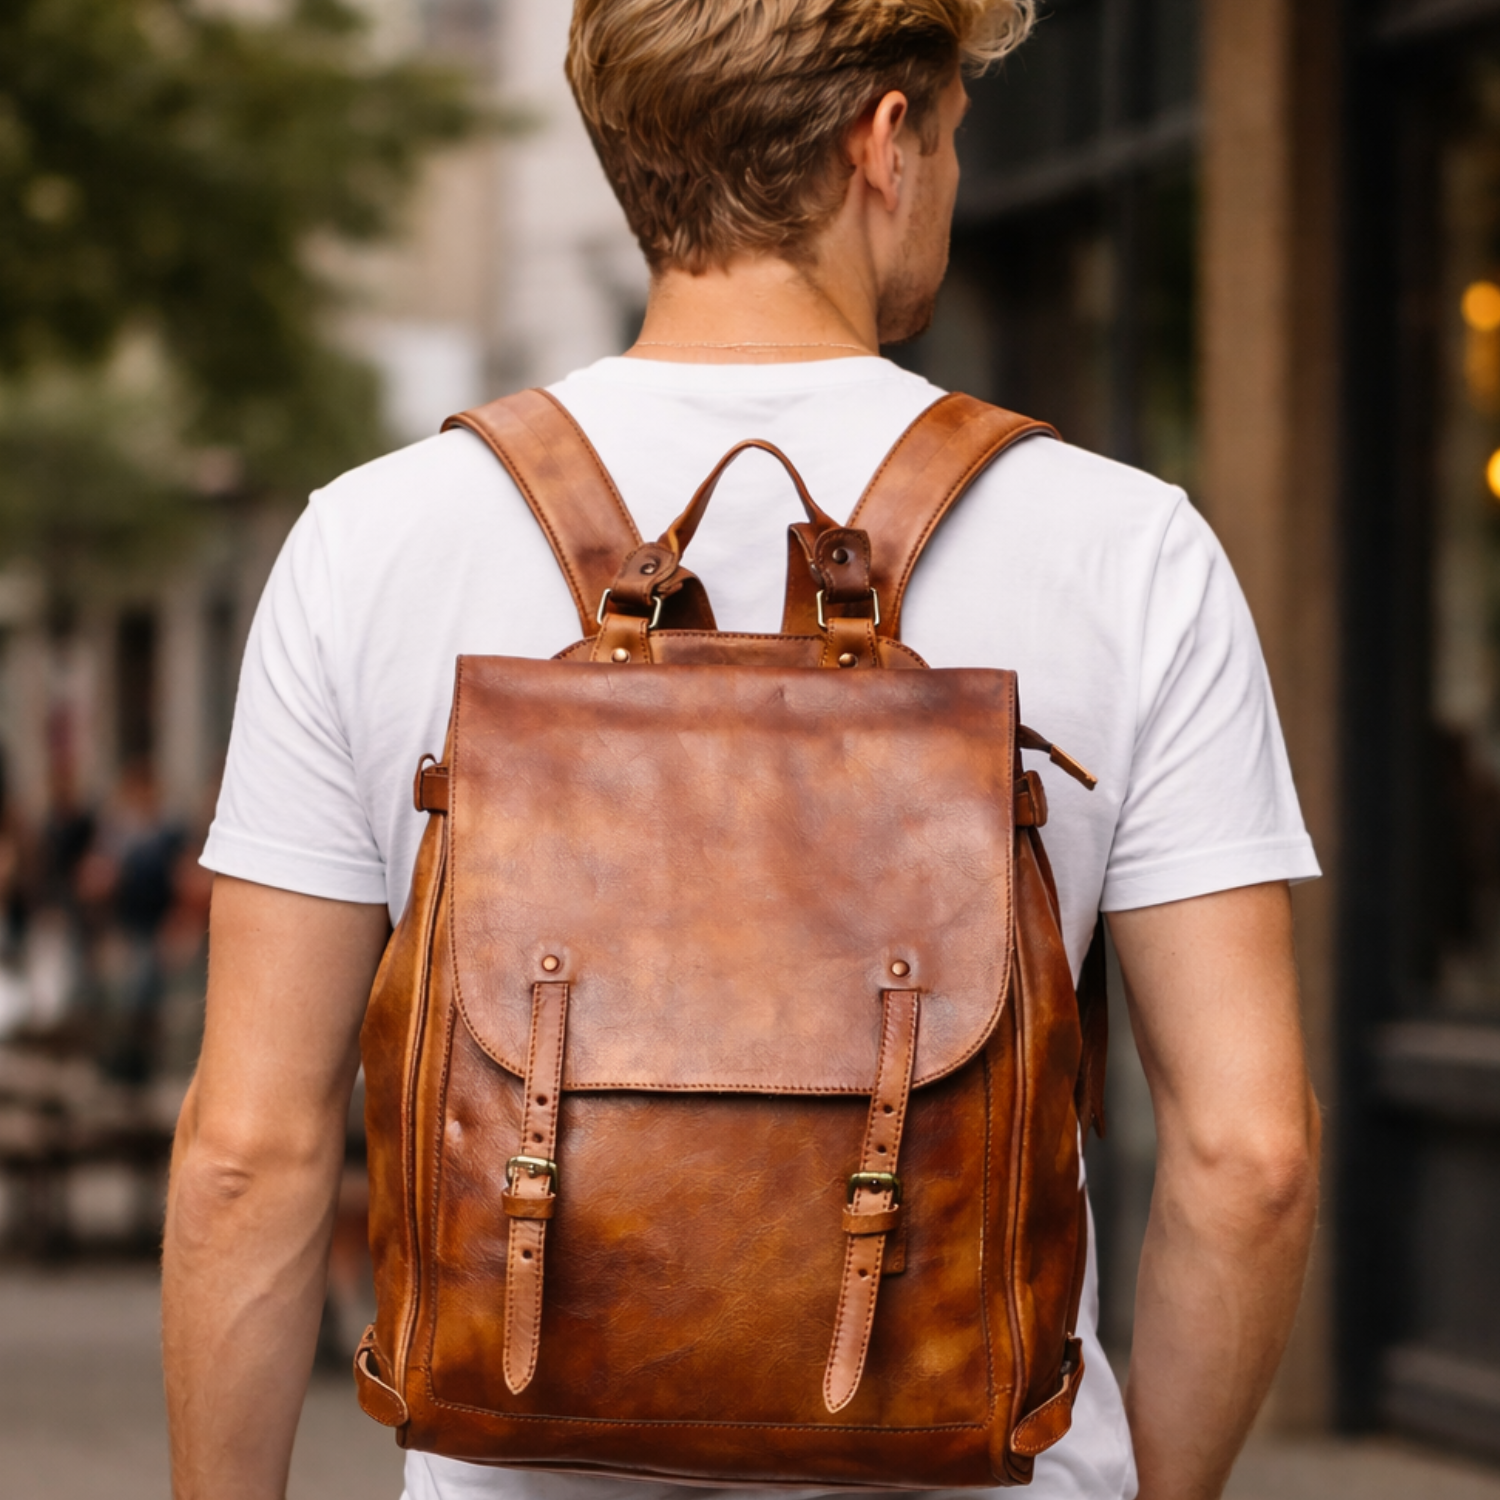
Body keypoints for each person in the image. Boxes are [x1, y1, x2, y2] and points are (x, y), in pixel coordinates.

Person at [162, 3, 1322, 1498]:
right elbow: (1250, 1162)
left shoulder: (370, 544)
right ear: (884, 145)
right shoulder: (1128, 549)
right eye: (958, 133)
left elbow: (248, 1159)